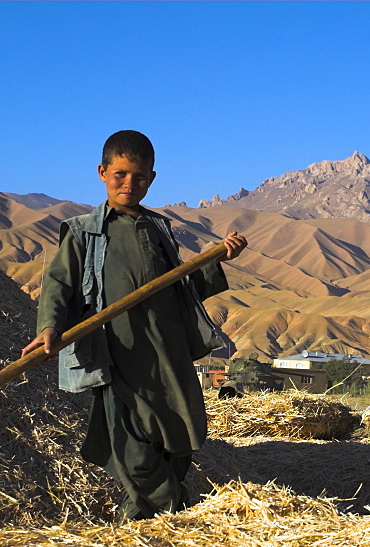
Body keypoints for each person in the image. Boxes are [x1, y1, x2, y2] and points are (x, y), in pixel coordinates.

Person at [22, 130, 247, 521]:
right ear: (102, 172)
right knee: (132, 448)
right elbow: (59, 284)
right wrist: (50, 327)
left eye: (140, 176)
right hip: (119, 356)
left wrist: (216, 259)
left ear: (152, 178)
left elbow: (182, 286)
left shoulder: (159, 229)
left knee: (179, 437)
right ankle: (173, 509)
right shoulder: (82, 232)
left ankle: (141, 524)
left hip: (167, 351)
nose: (130, 184)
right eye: (120, 175)